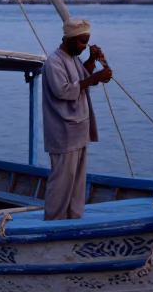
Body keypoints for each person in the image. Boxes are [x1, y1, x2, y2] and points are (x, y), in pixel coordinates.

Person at [41, 17, 112, 220]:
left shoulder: (73, 58)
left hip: (79, 129)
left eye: (86, 42)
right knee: (62, 182)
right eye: (82, 42)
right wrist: (94, 78)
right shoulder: (54, 62)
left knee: (77, 183)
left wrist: (91, 60)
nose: (84, 46)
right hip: (62, 132)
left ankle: (73, 220)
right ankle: (54, 222)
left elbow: (81, 77)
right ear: (69, 39)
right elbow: (63, 90)